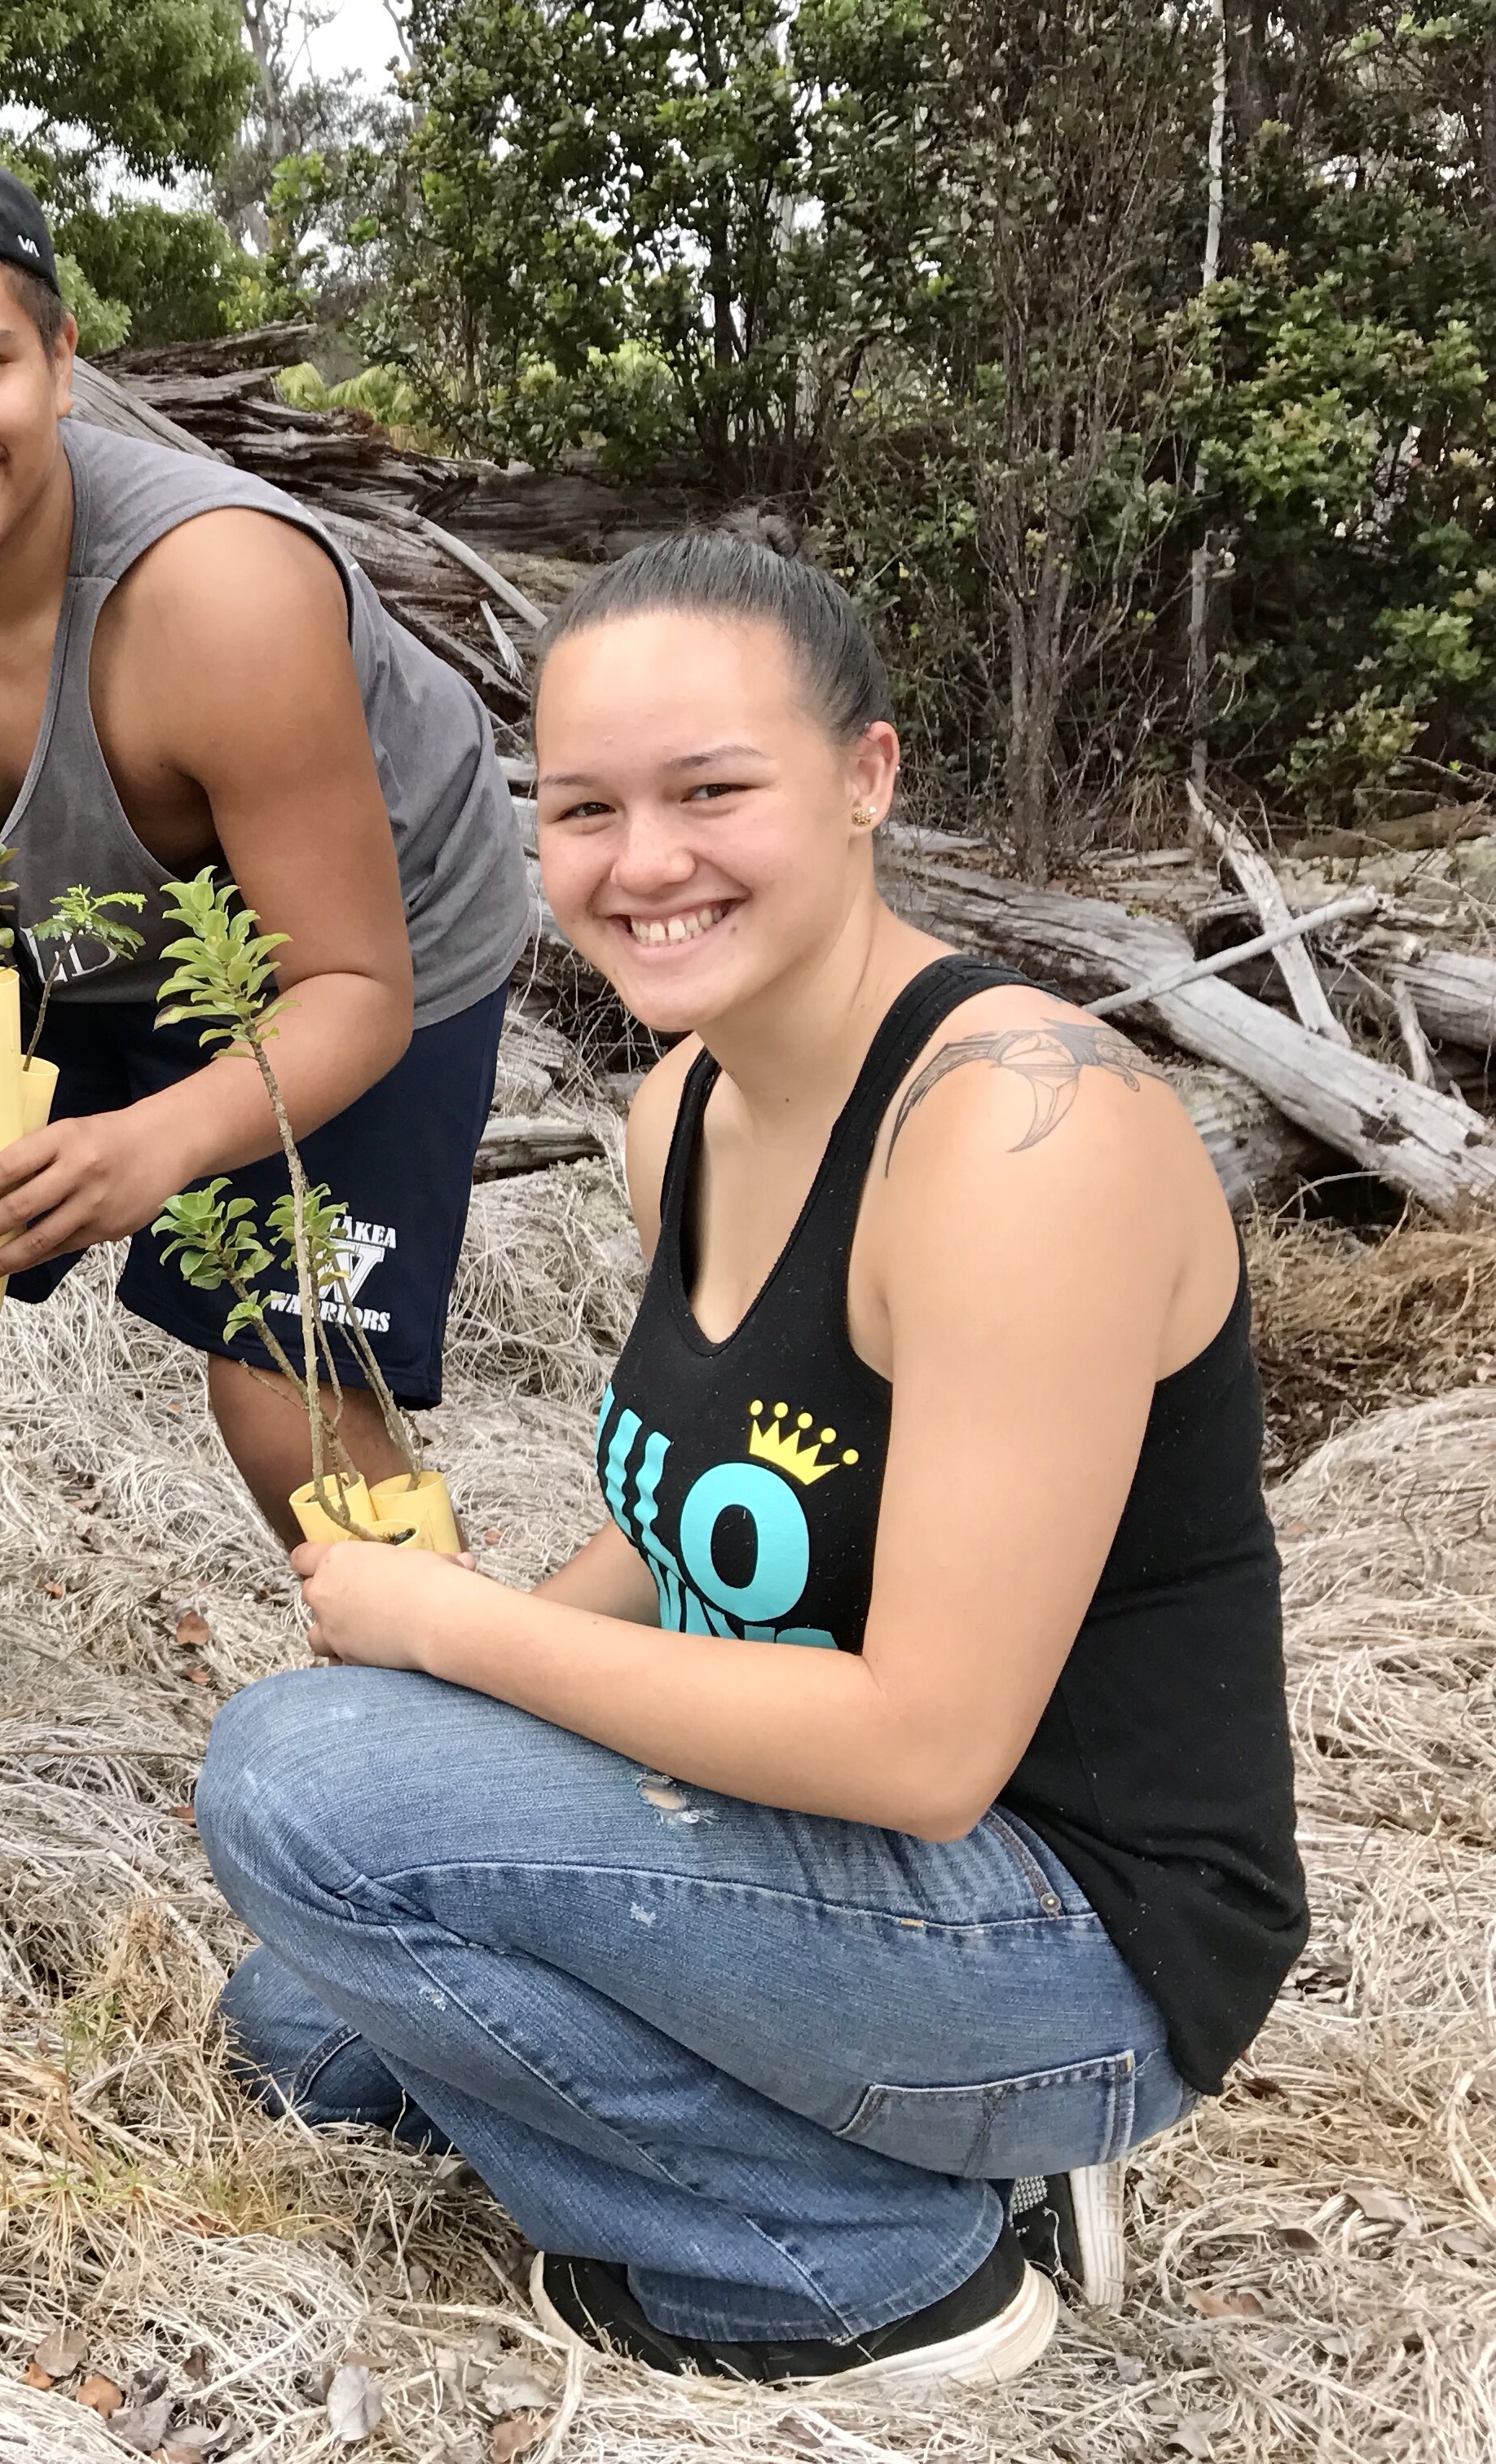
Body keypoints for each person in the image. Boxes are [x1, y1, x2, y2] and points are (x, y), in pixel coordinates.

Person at [194, 534, 1305, 2386]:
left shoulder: (1023, 1142)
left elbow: (929, 1753)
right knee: (300, 2025)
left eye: (715, 791)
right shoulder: (684, 1105)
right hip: (834, 1858)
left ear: (867, 778)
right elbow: (700, 1511)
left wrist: (449, 1641)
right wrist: (456, 1709)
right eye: (585, 809)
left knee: (297, 1790)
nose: (644, 864)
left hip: (1063, 1935)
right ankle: (885, 2139)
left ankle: (865, 2263)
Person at [0, 150, 528, 1738]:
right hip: (76, 931)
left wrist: (151, 1150)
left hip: (367, 944)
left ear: (62, 367)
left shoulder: (218, 595)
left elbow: (352, 991)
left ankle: (479, 1749)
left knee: (281, 1393)